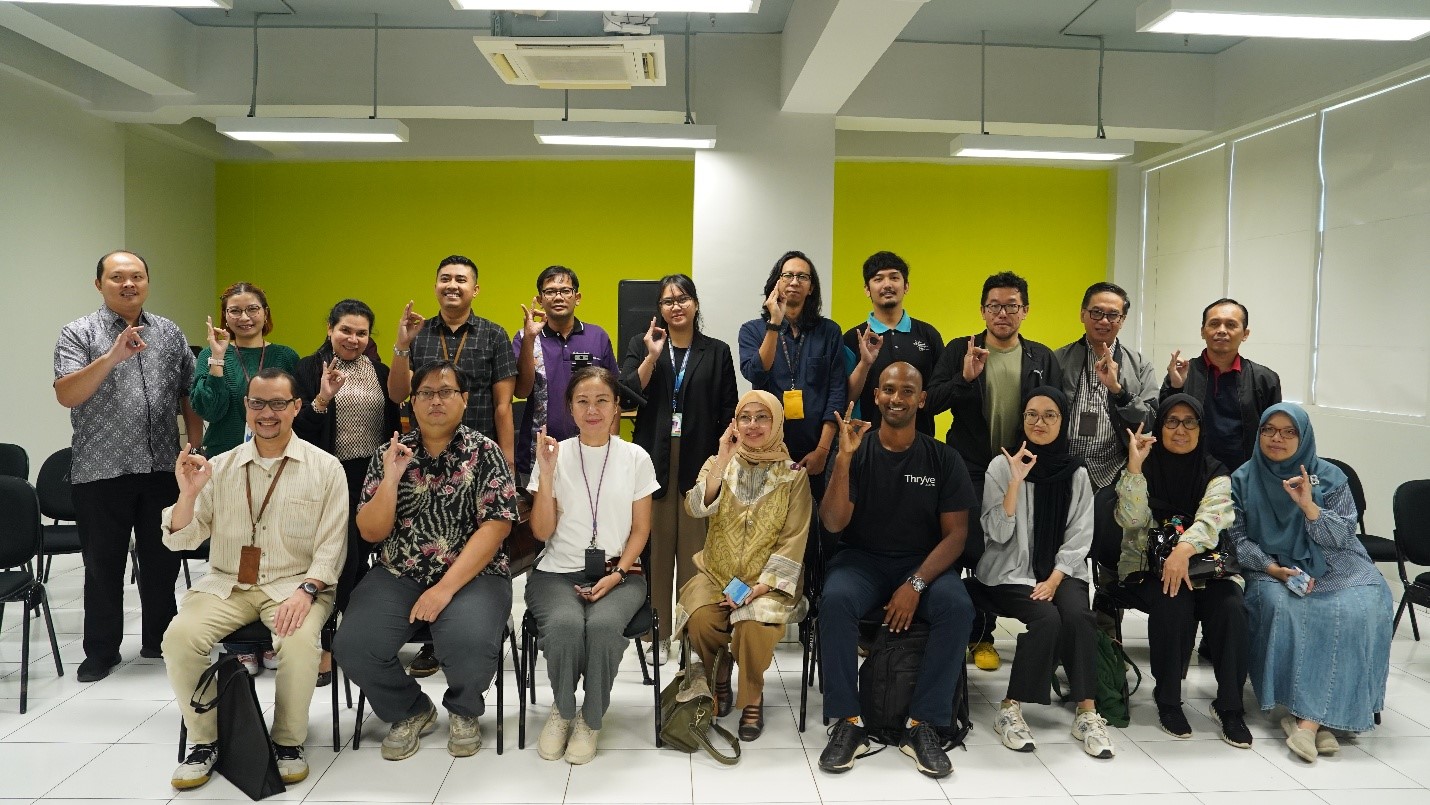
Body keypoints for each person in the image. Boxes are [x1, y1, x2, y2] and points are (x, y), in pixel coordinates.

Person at [161, 368, 347, 790]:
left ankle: (287, 743)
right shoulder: (219, 467)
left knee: (298, 642)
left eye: (278, 403)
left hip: (295, 585)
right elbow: (181, 539)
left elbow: (332, 546)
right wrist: (187, 494)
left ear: (296, 407)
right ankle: (206, 740)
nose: (267, 413)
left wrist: (307, 591)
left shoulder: (325, 468)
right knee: (178, 638)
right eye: (258, 403)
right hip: (227, 584)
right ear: (246, 407)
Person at [335, 360, 519, 761]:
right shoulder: (390, 453)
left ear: (464, 399)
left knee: (470, 643)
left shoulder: (485, 452)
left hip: (474, 575)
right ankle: (410, 709)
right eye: (426, 393)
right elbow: (370, 532)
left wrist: (444, 589)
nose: (436, 401)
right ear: (412, 402)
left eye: (446, 392)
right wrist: (391, 478)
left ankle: (464, 710)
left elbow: (497, 527)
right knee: (353, 645)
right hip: (399, 571)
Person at [816, 362, 976, 780]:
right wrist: (843, 460)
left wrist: (916, 583)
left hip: (923, 563)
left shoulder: (943, 458)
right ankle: (848, 722)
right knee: (835, 600)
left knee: (958, 608)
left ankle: (923, 724)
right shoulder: (854, 450)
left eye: (907, 391)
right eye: (888, 389)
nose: (896, 398)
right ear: (876, 396)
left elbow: (956, 536)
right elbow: (832, 522)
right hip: (861, 560)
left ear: (921, 400)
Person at [54, 250, 203, 682]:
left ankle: (160, 640)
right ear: (99, 284)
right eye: (117, 277)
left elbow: (189, 391)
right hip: (101, 471)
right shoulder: (78, 332)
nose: (128, 284)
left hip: (161, 467)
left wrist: (195, 443)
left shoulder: (169, 332)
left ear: (147, 282)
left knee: (162, 561)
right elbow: (66, 394)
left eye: (136, 276)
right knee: (104, 566)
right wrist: (111, 357)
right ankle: (101, 651)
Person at [1229, 403, 1392, 764]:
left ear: (1303, 437)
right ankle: (1318, 721)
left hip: (1336, 563)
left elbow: (1343, 537)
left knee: (1362, 606)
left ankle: (1307, 723)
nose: (1277, 438)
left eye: (1289, 432)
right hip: (1273, 567)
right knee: (1280, 606)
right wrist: (1271, 568)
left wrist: (1309, 507)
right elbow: (1238, 540)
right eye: (1269, 429)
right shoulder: (1242, 479)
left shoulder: (1330, 477)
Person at [967, 386, 1115, 760]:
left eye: (1050, 415)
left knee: (1078, 615)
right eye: (1031, 414)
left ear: (1063, 421)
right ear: (1022, 420)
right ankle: (1010, 708)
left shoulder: (1076, 471)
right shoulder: (1002, 466)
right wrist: (1015, 482)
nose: (1040, 422)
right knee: (1047, 618)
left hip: (1061, 570)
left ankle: (1087, 712)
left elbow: (1081, 533)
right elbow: (996, 534)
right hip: (1009, 571)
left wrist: (1055, 577)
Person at [926, 271, 1063, 672]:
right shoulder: (961, 349)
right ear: (983, 310)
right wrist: (964, 378)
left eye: (1011, 306)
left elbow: (1056, 414)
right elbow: (930, 401)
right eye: (995, 306)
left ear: (1025, 310)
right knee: (964, 546)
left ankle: (985, 635)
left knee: (1001, 549)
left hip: (1019, 471)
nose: (1003, 313)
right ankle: (956, 633)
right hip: (967, 468)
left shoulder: (1042, 358)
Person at [388, 254, 518, 675]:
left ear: (474, 289)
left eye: (461, 280)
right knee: (431, 544)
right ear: (435, 286)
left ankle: (479, 623)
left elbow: (503, 405)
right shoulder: (419, 334)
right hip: (426, 460)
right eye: (445, 278)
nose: (452, 285)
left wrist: (508, 461)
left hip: (479, 461)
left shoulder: (494, 335)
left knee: (480, 543)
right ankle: (433, 638)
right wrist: (402, 346)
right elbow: (397, 395)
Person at [527, 366, 657, 765]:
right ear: (570, 407)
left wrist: (617, 574)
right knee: (565, 626)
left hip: (622, 573)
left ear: (617, 406)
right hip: (556, 573)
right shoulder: (554, 454)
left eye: (602, 400)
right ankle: (563, 710)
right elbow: (540, 531)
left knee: (601, 627)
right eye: (582, 401)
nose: (593, 410)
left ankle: (590, 718)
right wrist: (546, 475)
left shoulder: (635, 457)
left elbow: (641, 529)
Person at [1112, 394, 1251, 746]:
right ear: (1159, 427)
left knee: (1232, 607)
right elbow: (1131, 521)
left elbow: (1212, 519)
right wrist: (1134, 468)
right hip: (1147, 567)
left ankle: (1230, 706)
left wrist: (1182, 552)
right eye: (1172, 421)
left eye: (1190, 422)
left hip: (1206, 566)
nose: (1180, 429)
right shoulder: (1143, 466)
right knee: (1173, 602)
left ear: (1201, 429)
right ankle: (1169, 700)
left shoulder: (1216, 472)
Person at [676, 390, 811, 741]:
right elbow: (695, 508)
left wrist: (760, 586)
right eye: (745, 417)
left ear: (776, 422)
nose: (752, 425)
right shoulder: (717, 463)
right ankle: (719, 676)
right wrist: (723, 459)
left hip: (768, 581)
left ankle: (753, 695)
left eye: (762, 417)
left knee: (753, 626)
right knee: (701, 619)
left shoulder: (793, 475)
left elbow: (794, 537)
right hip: (716, 573)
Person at [621, 274, 738, 666]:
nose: (676, 306)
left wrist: (721, 462)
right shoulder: (643, 344)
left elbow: (728, 408)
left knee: (694, 553)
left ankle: (690, 632)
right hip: (653, 458)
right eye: (668, 301)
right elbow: (627, 394)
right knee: (655, 552)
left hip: (699, 461)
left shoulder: (716, 351)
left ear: (695, 304)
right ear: (660, 308)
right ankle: (657, 633)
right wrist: (652, 356)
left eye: (683, 298)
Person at [192, 282, 301, 676]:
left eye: (252, 308)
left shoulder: (285, 355)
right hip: (227, 461)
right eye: (234, 310)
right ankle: (238, 642)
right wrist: (217, 360)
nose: (244, 317)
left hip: (276, 461)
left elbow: (296, 409)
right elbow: (209, 409)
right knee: (231, 550)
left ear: (265, 312)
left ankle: (271, 635)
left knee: (276, 548)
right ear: (225, 316)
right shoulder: (210, 353)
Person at [293, 299, 402, 686]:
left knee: (364, 561)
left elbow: (393, 426)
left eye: (361, 333)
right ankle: (327, 644)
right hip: (329, 477)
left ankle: (359, 637)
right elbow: (296, 430)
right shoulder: (308, 369)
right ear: (330, 329)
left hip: (373, 477)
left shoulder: (381, 372)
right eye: (345, 330)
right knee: (339, 560)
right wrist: (322, 399)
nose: (353, 339)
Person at [737, 251, 846, 500]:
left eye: (802, 277)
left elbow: (837, 392)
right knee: (769, 518)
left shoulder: (829, 332)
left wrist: (822, 450)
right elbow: (755, 373)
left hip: (816, 450)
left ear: (811, 288)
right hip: (767, 450)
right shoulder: (752, 330)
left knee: (814, 519)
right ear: (776, 283)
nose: (794, 282)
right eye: (787, 275)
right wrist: (774, 323)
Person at [514, 265, 619, 482]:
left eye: (565, 291)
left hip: (591, 450)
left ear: (577, 297)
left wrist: (613, 444)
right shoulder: (526, 337)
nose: (558, 297)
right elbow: (521, 391)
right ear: (540, 300)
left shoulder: (597, 336)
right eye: (550, 291)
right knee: (541, 505)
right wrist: (530, 339)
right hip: (539, 451)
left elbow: (613, 396)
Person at [1054, 282, 1158, 493]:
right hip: (1062, 468)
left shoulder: (1140, 365)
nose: (1103, 320)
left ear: (1122, 320)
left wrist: (1118, 391)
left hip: (1114, 471)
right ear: (1082, 314)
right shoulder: (1058, 360)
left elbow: (1150, 418)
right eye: (1096, 312)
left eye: (1113, 315)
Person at [1162, 298, 1281, 472]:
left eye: (1231, 325)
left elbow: (1274, 433)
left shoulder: (1265, 379)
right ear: (1202, 331)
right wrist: (1176, 387)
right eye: (1214, 324)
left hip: (1245, 473)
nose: (1222, 330)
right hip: (1190, 472)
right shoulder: (1182, 373)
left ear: (1245, 333)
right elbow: (1164, 423)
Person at [843, 251, 944, 436]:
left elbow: (938, 396)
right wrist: (865, 363)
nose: (887, 284)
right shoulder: (852, 339)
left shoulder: (928, 335)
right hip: (866, 444)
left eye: (894, 277)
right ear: (867, 289)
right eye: (878, 279)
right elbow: (843, 399)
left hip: (920, 442)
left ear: (906, 286)